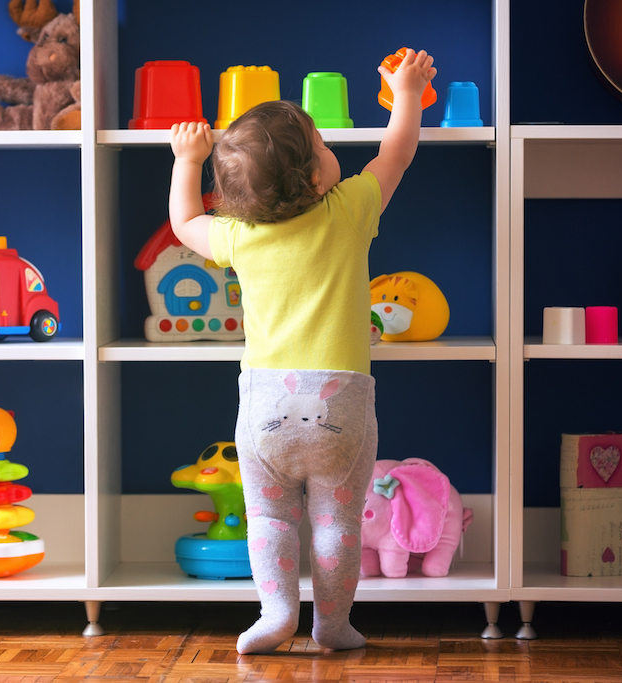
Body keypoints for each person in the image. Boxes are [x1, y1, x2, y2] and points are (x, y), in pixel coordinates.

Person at [168, 49, 437, 654]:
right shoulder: (348, 210)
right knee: (336, 524)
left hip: (265, 410)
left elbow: (185, 222)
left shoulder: (240, 236)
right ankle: (334, 625)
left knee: (269, 521)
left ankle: (274, 614)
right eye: (321, 143)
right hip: (339, 406)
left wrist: (187, 160)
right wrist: (409, 92)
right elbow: (396, 153)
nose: (329, 146)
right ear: (317, 176)